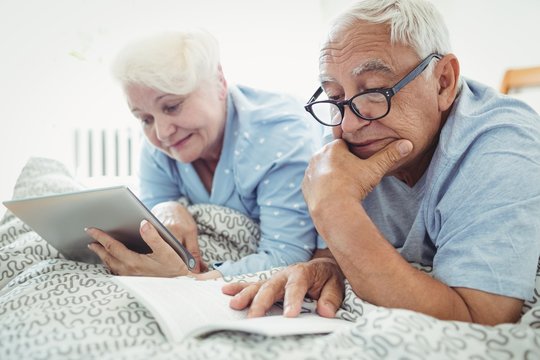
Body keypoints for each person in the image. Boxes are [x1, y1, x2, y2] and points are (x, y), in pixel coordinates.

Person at [223, 0, 540, 325]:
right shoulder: (342, 136)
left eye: (374, 91)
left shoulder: (501, 144)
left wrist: (336, 209)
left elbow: (482, 319)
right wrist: (326, 266)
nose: (347, 125)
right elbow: (334, 253)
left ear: (443, 81)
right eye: (334, 97)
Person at [85, 29, 323, 279]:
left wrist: (191, 280)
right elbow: (153, 218)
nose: (162, 132)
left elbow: (287, 256)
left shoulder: (279, 135)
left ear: (219, 82)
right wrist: (168, 207)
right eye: (144, 119)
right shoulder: (158, 148)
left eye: (172, 106)